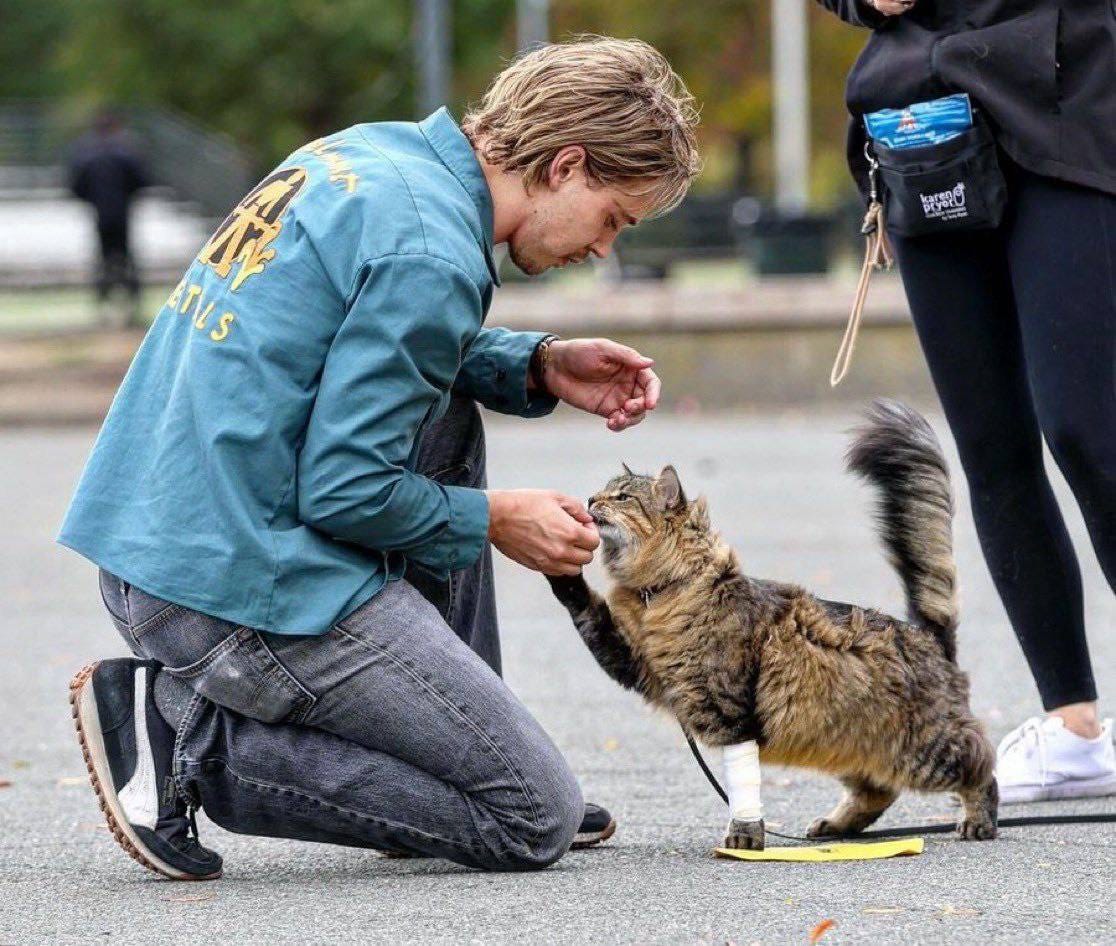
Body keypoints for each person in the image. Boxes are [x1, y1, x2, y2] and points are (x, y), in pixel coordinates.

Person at [61, 36, 701, 879]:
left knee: (446, 424)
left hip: (162, 546)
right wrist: (496, 518)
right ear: (565, 166)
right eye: (614, 216)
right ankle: (185, 736)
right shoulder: (433, 254)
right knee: (528, 817)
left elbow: (360, 345)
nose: (602, 248)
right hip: (230, 597)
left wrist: (534, 363)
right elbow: (343, 488)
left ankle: (460, 755)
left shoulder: (368, 158)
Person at [818, 0, 1116, 802]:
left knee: (1088, 428)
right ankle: (1073, 726)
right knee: (991, 445)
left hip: (1066, 95)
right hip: (920, 119)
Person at [68, 110, 149, 326]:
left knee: (103, 261)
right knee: (127, 260)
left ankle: (102, 309)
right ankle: (133, 308)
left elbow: (76, 186)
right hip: (123, 215)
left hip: (100, 215)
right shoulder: (127, 152)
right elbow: (142, 181)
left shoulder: (86, 154)